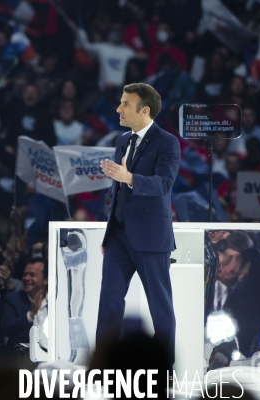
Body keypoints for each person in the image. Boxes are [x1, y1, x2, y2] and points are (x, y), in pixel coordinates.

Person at [99, 82, 180, 365]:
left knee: (160, 306)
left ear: (144, 110)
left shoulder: (167, 142)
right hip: (119, 236)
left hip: (150, 237)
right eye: (120, 102)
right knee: (108, 303)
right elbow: (116, 191)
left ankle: (164, 367)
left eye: (125, 104)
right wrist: (109, 233)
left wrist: (129, 177)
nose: (118, 108)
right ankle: (104, 366)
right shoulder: (122, 140)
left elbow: (164, 184)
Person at [1, 258, 48, 350]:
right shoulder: (12, 299)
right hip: (22, 360)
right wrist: (30, 315)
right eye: (25, 274)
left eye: (32, 275)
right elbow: (7, 328)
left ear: (45, 280)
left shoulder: (56, 301)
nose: (26, 278)